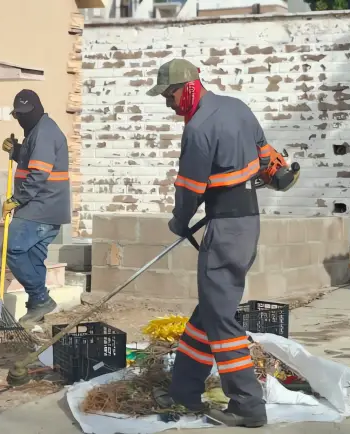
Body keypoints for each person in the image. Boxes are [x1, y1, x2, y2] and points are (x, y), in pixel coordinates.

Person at [146, 59, 271, 427]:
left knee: (220, 318)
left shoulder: (199, 127)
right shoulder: (237, 107)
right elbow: (266, 157)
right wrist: (275, 175)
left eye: (169, 96)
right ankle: (184, 389)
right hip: (247, 223)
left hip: (226, 229)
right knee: (209, 311)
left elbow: (189, 188)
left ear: (187, 87)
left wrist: (179, 221)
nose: (168, 104)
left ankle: (247, 403)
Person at [0, 89, 71, 326]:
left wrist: (17, 199)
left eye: (25, 113)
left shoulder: (44, 132)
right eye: (18, 114)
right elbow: (34, 160)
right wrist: (16, 151)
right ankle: (36, 309)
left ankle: (40, 299)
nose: (22, 118)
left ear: (36, 109)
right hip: (49, 206)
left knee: (13, 248)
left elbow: (39, 173)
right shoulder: (39, 130)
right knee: (32, 256)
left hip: (41, 204)